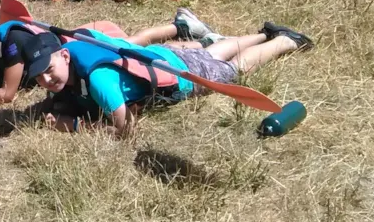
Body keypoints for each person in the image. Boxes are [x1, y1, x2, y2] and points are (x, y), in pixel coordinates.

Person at [26, 20, 312, 138]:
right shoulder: (73, 45)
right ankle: (265, 32)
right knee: (211, 53)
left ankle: (286, 41)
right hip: (156, 55)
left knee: (234, 69)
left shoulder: (99, 79)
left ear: (64, 56)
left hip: (181, 78)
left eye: (49, 70)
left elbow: (126, 130)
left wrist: (76, 126)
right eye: (39, 77)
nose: (47, 80)